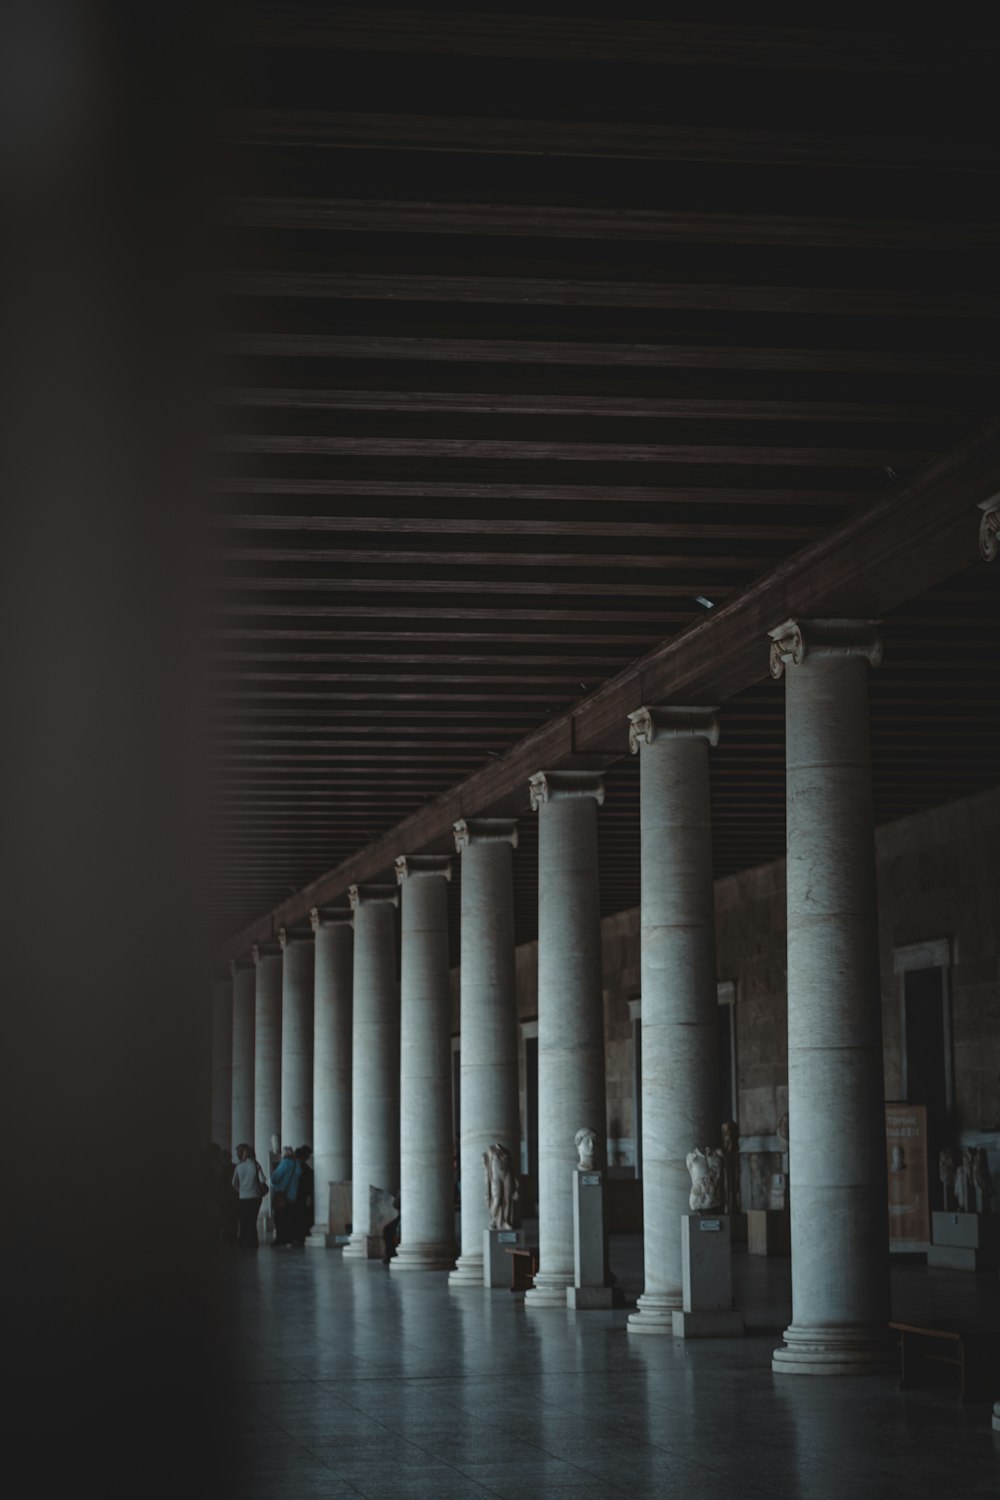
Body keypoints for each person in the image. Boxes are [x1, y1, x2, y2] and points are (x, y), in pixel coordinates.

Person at [232, 1144, 267, 1249]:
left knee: (243, 1219)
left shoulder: (239, 1166)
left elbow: (234, 1183)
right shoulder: (256, 1165)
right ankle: (253, 1241)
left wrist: (240, 1190)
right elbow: (263, 1179)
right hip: (255, 1196)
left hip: (243, 1197)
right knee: (252, 1220)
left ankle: (243, 1240)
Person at [270, 1145, 301, 1247]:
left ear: (285, 1153)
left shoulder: (285, 1163)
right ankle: (289, 1238)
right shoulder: (297, 1164)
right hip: (293, 1195)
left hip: (282, 1194)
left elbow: (275, 1178)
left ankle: (281, 1239)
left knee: (279, 1219)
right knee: (289, 1218)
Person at [292, 1146, 314, 1247]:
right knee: (301, 1216)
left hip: (295, 1194)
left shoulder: (296, 1165)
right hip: (301, 1195)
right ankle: (299, 1236)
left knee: (297, 1216)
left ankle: (297, 1236)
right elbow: (307, 1183)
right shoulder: (303, 1167)